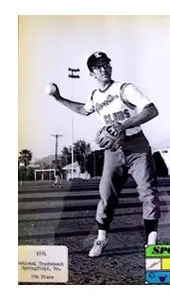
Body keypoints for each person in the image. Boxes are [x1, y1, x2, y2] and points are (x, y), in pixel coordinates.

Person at [48, 51, 161, 257]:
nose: (104, 68)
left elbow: (151, 110)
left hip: (137, 146)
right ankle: (101, 238)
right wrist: (58, 98)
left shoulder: (124, 88)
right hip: (112, 150)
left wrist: (123, 125)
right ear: (92, 73)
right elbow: (83, 110)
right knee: (106, 196)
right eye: (98, 67)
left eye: (106, 64)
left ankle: (152, 242)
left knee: (148, 193)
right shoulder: (95, 96)